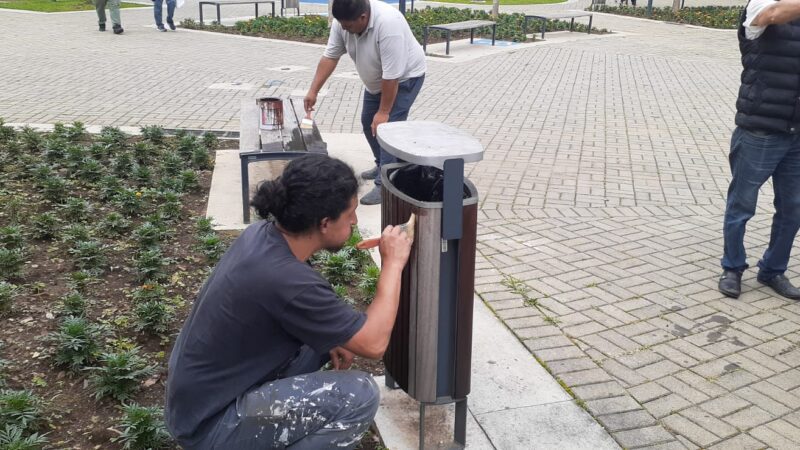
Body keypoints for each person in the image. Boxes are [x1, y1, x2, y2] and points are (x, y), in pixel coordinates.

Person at [165, 154, 413, 449]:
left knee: (326, 340)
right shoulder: (288, 281)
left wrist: (331, 339)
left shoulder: (262, 235)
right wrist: (393, 264)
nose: (355, 221)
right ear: (324, 223)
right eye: (350, 214)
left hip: (196, 401)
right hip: (212, 423)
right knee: (358, 394)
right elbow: (374, 344)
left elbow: (292, 313)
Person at [304, 0, 426, 206]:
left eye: (348, 26)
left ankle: (386, 186)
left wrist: (384, 112)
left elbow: (392, 76)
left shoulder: (389, 25)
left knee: (386, 129)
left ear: (363, 17)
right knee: (367, 121)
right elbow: (330, 57)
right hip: (378, 81)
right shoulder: (343, 20)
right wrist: (313, 90)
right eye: (341, 25)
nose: (344, 29)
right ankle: (383, 165)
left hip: (405, 78)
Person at [718, 0, 800, 300]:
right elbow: (772, 14)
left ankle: (773, 270)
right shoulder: (762, 5)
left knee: (793, 209)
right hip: (759, 130)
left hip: (796, 134)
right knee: (742, 205)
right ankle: (732, 267)